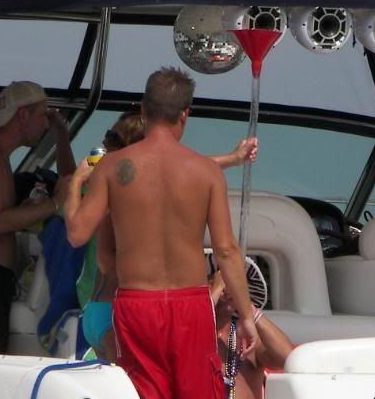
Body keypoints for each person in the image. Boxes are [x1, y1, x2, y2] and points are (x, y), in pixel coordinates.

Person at [64, 67, 258, 399]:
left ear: (143, 110)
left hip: (138, 304)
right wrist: (246, 314)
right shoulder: (205, 171)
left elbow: (78, 235)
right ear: (184, 116)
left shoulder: (114, 168)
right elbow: (227, 251)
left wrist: (73, 187)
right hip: (191, 304)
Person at [79, 111, 259, 361]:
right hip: (120, 311)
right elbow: (187, 167)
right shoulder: (132, 191)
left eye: (112, 137)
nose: (105, 141)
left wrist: (75, 182)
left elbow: (96, 253)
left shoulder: (106, 184)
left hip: (95, 308)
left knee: (115, 382)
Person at [0, 81, 76, 353]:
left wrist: (61, 134)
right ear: (23, 115)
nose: (46, 124)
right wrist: (54, 204)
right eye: (43, 115)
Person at [210, 270, 293, 399]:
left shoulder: (248, 338)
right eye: (214, 281)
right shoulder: (190, 336)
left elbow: (288, 358)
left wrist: (246, 306)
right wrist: (216, 291)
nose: (227, 288)